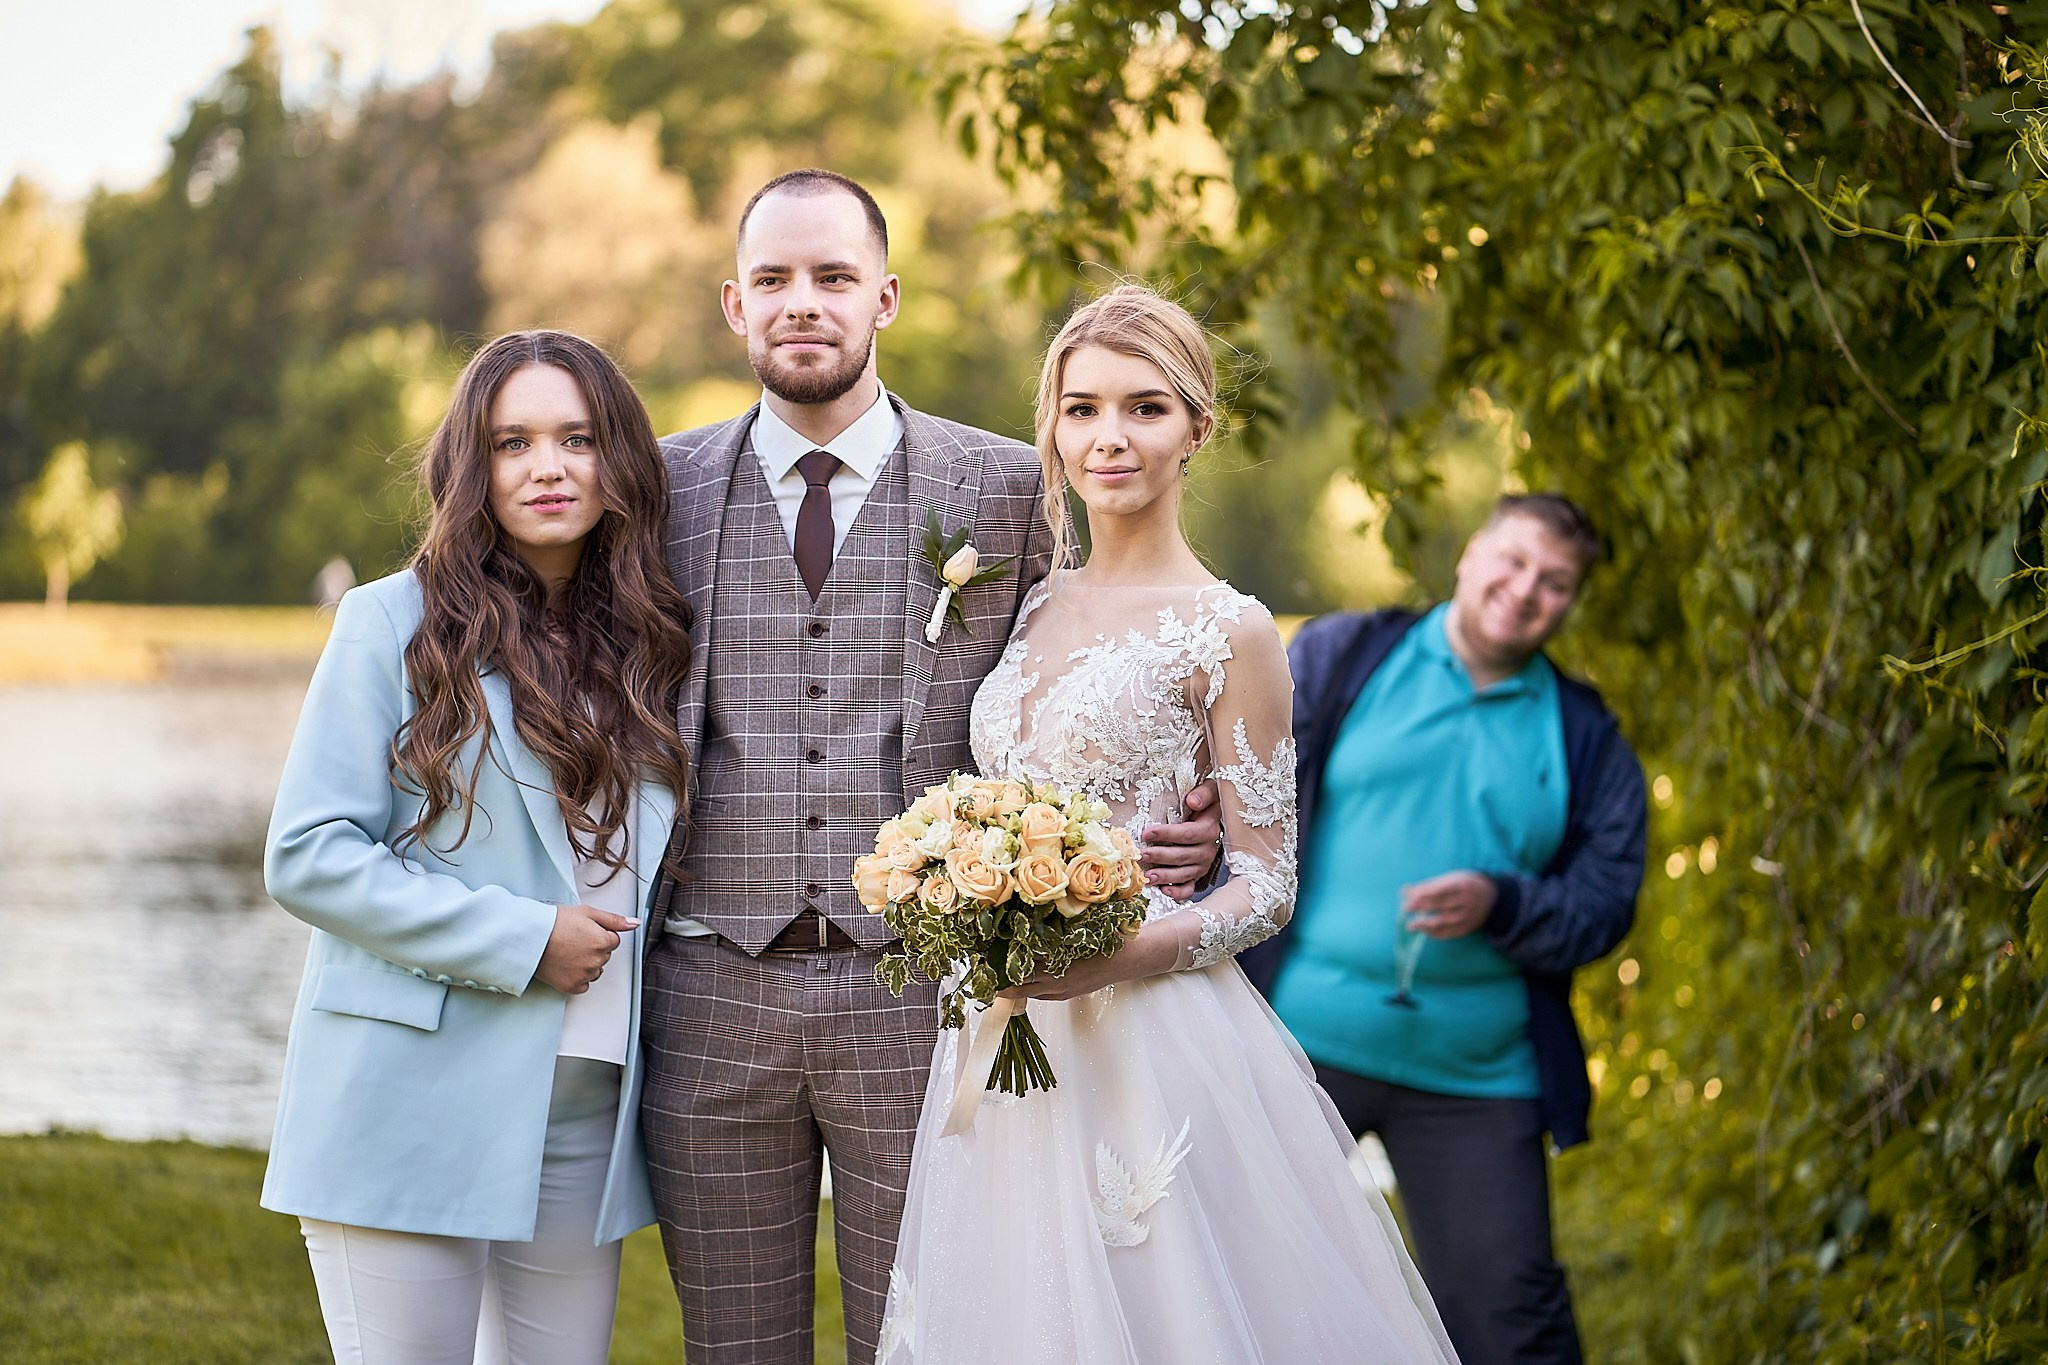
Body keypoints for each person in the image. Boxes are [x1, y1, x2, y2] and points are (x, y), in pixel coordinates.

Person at [639, 171, 1224, 1365]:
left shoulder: (1005, 488)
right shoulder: (659, 487)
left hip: (927, 999)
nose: (804, 303)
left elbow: (1087, 668)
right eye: (774, 280)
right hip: (708, 993)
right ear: (733, 306)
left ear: (885, 298)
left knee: (925, 1339)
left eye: (833, 278)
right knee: (729, 1347)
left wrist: (1177, 800)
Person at [876, 283, 1460, 1365]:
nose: (1109, 437)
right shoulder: (1029, 599)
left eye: (1143, 408)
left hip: (1146, 1030)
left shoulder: (1228, 629)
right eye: (1082, 408)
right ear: (1049, 426)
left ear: (1196, 428)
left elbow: (1266, 879)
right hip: (1003, 1024)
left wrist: (1122, 951)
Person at [261, 330, 694, 1364]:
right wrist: (520, 938)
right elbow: (310, 852)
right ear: (474, 465)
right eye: (513, 443)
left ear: (619, 459)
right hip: (411, 1089)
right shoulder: (388, 622)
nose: (548, 468)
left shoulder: (654, 640)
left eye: (578, 438)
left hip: (585, 1112)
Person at [1240, 494, 1648, 1365]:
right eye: (1513, 560)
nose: (1525, 589)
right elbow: (1240, 790)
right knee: (1234, 1278)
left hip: (1476, 1077)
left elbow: (1606, 903)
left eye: (1555, 581)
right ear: (1470, 555)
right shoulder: (1345, 656)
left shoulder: (1584, 735)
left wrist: (1503, 903)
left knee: (1514, 1324)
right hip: (1294, 1046)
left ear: (1569, 603)